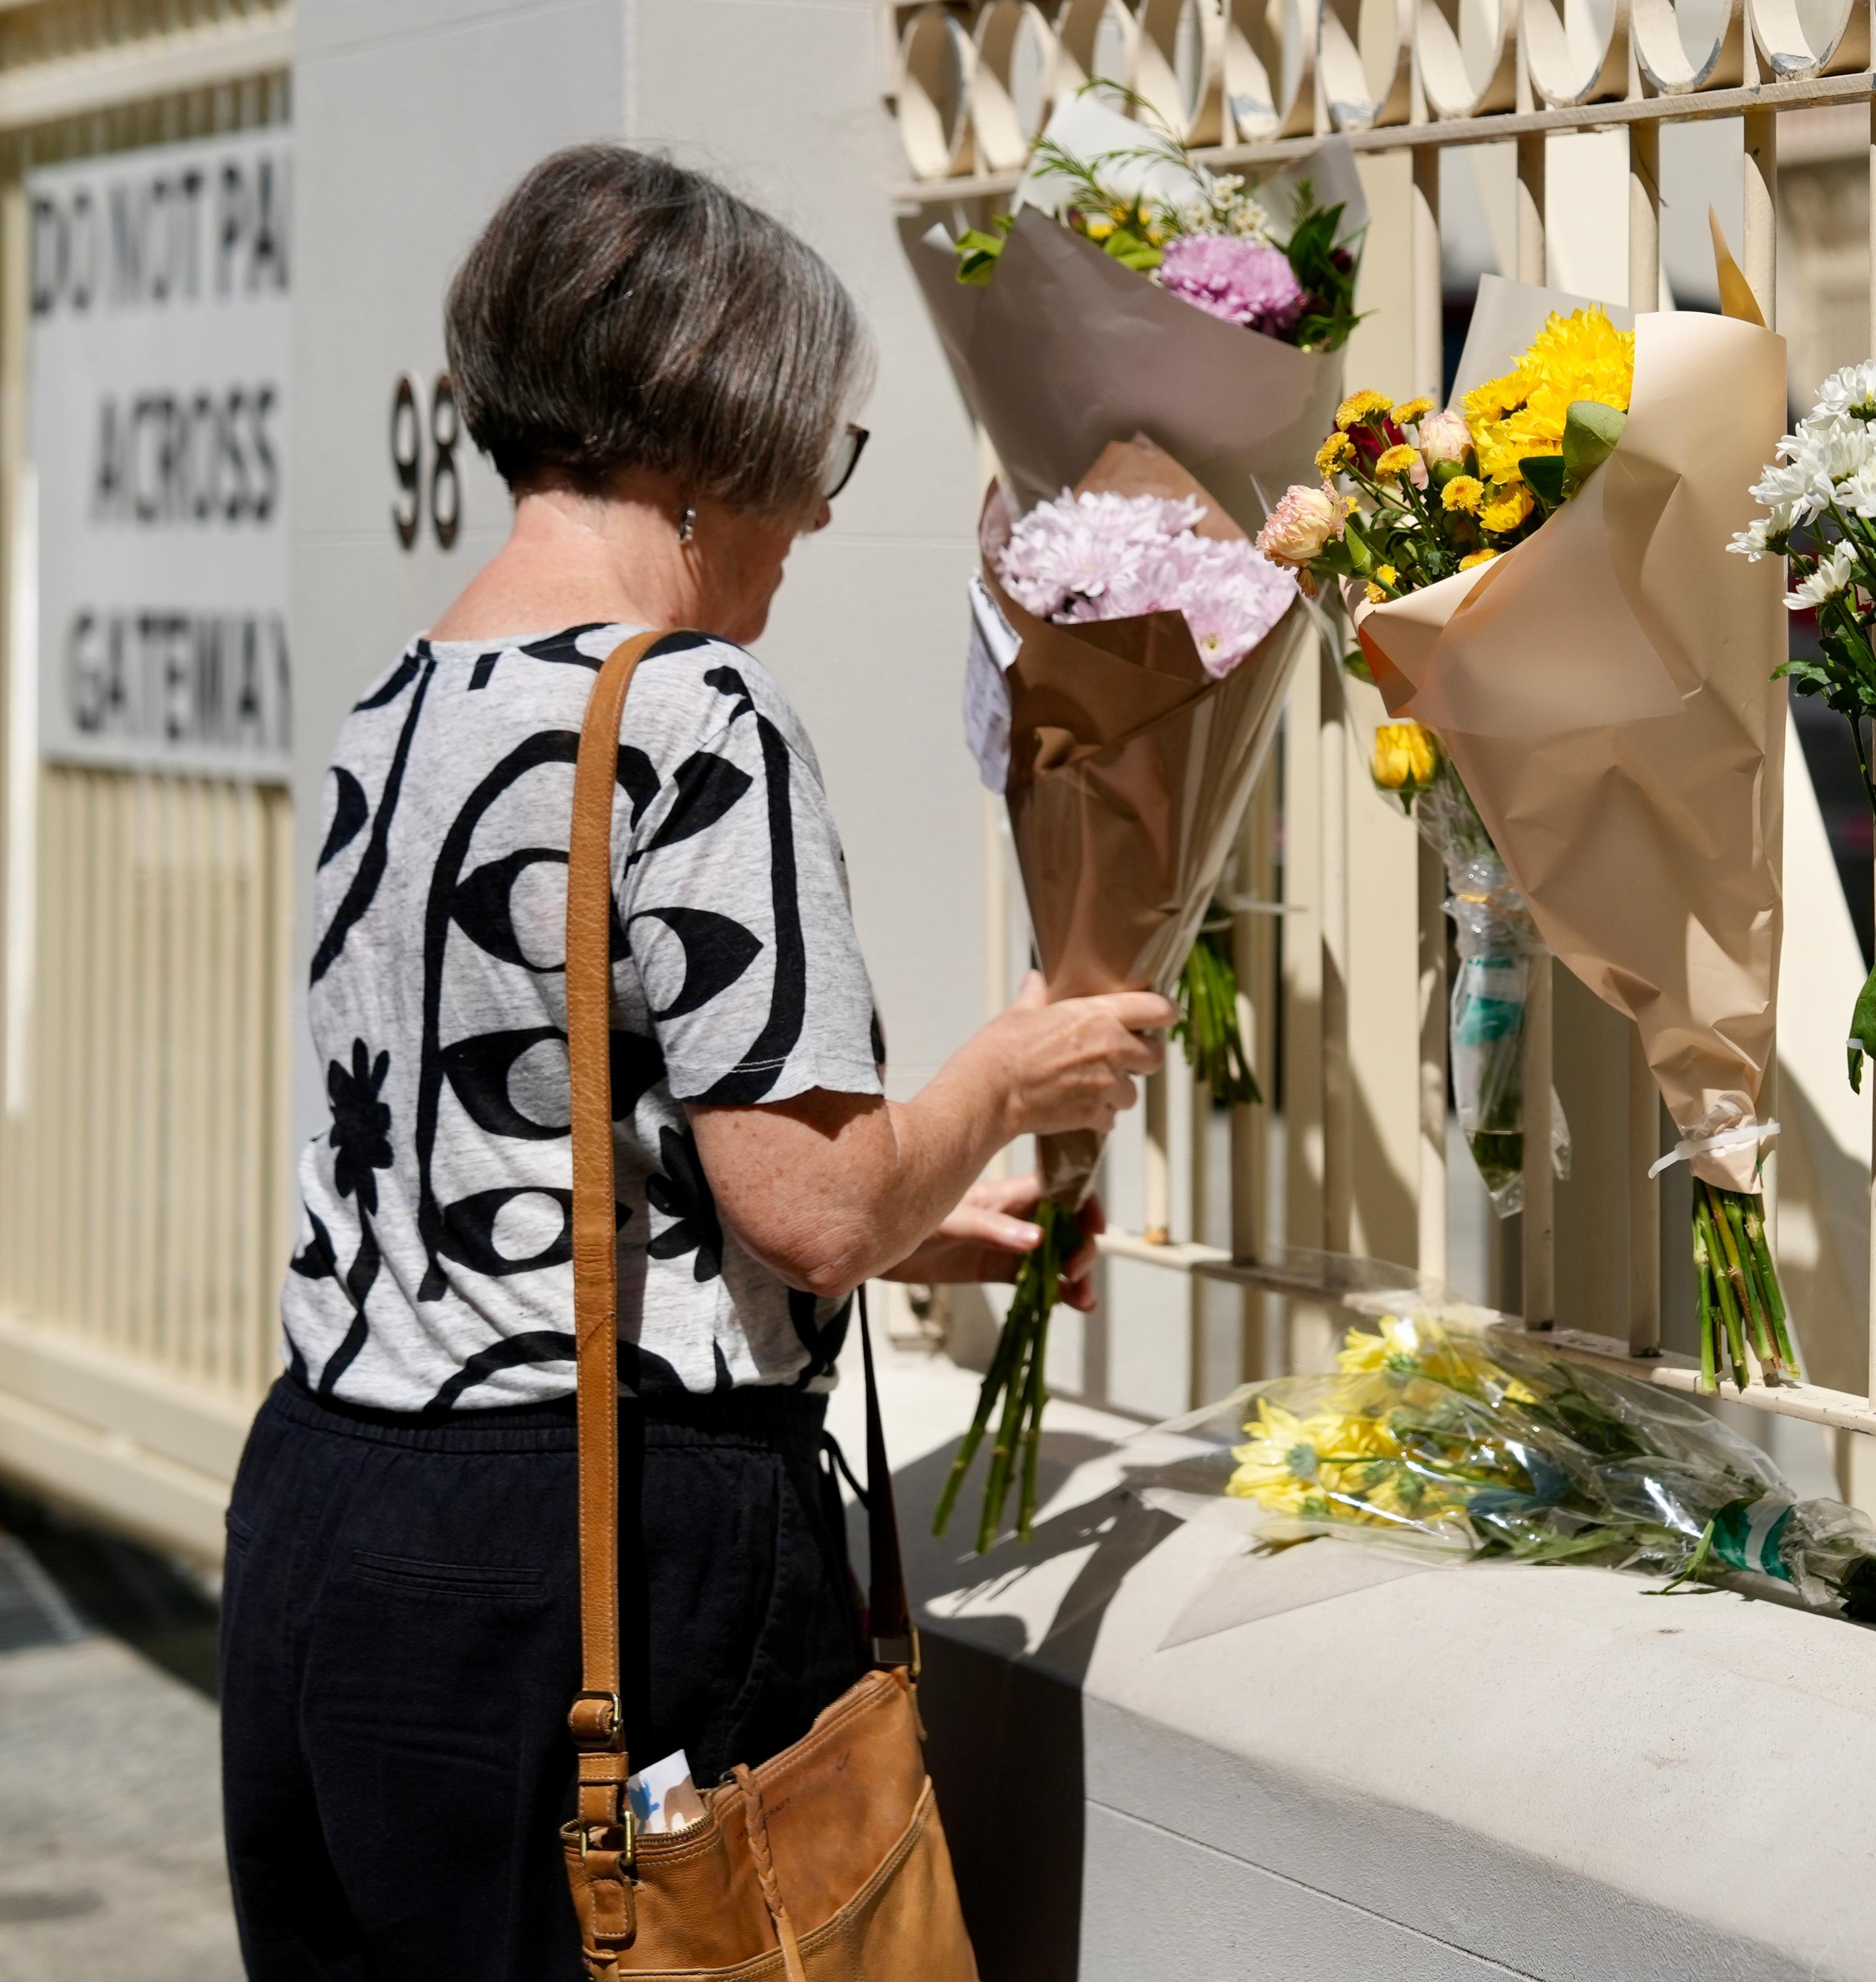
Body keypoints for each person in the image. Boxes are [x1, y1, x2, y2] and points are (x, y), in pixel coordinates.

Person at [217, 143, 1170, 1980]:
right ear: (713, 436)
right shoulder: (688, 711)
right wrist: (1011, 1073)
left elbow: (517, 1135)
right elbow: (811, 1209)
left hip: (325, 1509)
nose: (811, 517)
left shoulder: (393, 706)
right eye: (816, 459)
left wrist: (911, 1227)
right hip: (586, 1550)